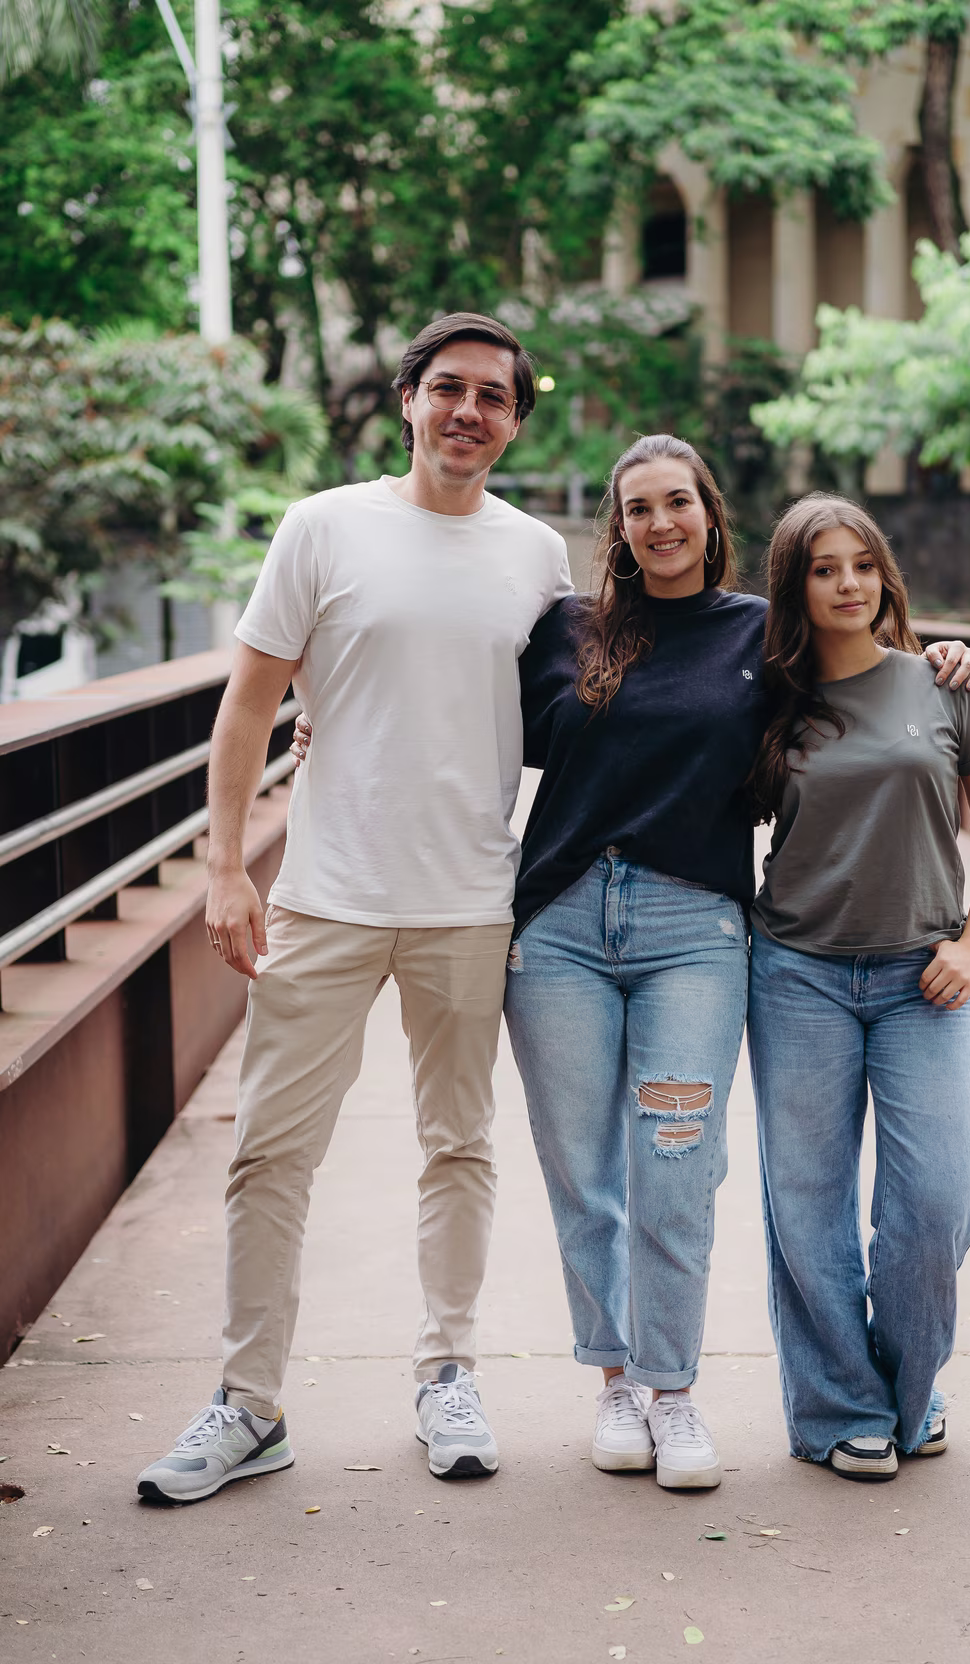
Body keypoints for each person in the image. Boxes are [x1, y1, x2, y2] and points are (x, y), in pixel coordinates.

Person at [136, 313, 572, 1504]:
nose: (467, 411)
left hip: (471, 899)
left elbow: (579, 709)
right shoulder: (322, 525)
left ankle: (448, 1373)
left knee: (459, 1144)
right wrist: (227, 866)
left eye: (493, 396)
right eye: (448, 387)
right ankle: (249, 1403)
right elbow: (249, 704)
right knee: (270, 1150)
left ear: (514, 421)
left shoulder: (539, 555)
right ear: (408, 399)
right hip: (325, 894)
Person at [502, 440, 970, 1490]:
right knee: (584, 1171)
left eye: (678, 501)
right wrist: (319, 730)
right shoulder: (564, 630)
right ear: (618, 527)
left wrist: (947, 659)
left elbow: (867, 682)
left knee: (678, 1160)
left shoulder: (761, 639)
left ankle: (674, 1388)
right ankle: (618, 1383)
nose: (661, 522)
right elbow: (460, 727)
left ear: (711, 514)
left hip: (696, 927)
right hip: (562, 924)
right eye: (639, 507)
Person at [746, 494, 970, 1483]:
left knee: (936, 1203)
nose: (849, 584)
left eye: (863, 564)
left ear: (885, 575)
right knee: (807, 1205)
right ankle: (840, 1407)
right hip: (797, 974)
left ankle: (907, 1388)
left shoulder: (945, 683)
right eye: (824, 569)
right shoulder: (767, 701)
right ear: (796, 585)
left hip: (923, 980)